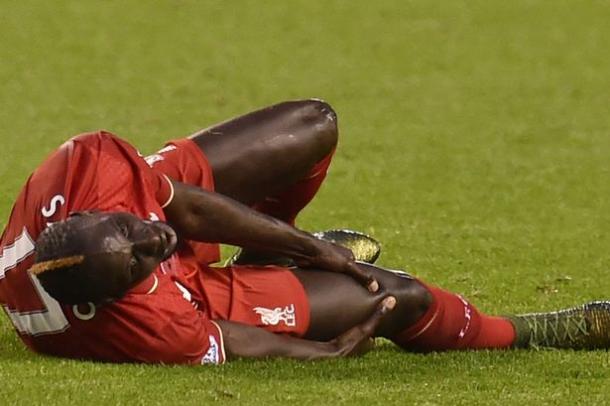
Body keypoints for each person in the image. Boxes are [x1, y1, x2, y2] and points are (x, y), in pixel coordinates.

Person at [1, 99, 609, 365]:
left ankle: (267, 257)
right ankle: (534, 331)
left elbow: (180, 210)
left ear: (83, 213)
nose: (152, 242)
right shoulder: (149, 324)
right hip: (187, 298)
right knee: (401, 298)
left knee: (313, 124)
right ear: (114, 295)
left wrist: (310, 247)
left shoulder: (92, 167)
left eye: (130, 229)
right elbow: (231, 342)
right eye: (137, 262)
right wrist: (322, 351)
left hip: (116, 224)